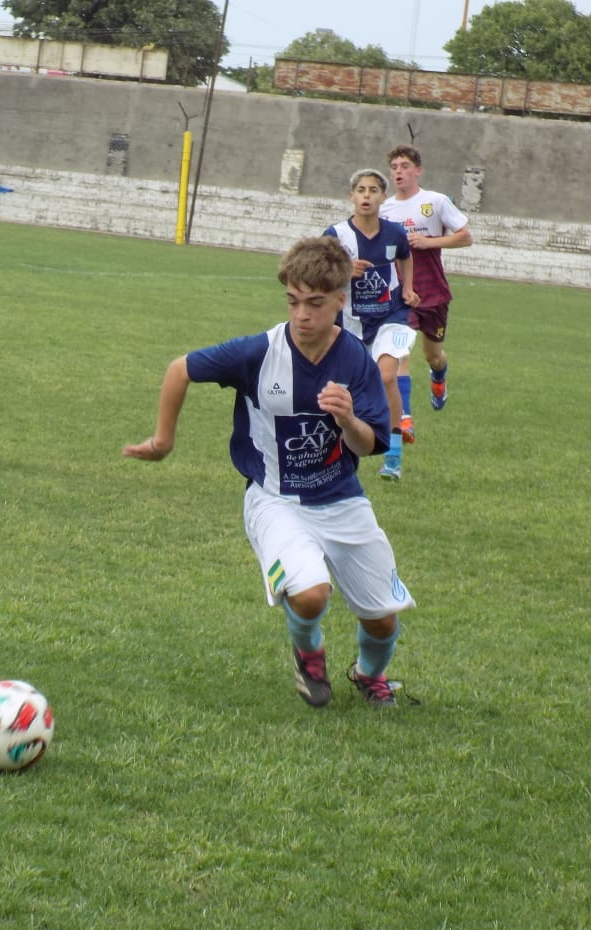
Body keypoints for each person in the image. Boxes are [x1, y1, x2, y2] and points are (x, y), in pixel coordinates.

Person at [123, 236, 415, 708]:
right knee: (310, 594)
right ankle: (309, 654)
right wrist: (162, 441)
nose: (302, 315)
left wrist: (347, 420)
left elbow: (369, 444)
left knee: (383, 618)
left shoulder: (356, 361)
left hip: (342, 500)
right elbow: (180, 369)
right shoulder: (259, 352)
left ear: (340, 302)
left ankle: (369, 675)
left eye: (316, 304)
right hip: (274, 499)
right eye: (293, 301)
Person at [323, 168, 419, 481]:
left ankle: (392, 456)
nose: (367, 196)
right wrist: (344, 269)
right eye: (361, 190)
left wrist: (407, 287)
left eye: (373, 190)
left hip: (392, 317)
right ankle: (338, 450)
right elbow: (321, 273)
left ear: (382, 197)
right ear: (352, 196)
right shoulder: (336, 235)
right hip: (348, 322)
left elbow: (405, 257)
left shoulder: (394, 234)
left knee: (386, 375)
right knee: (338, 390)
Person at [380, 144, 473, 431]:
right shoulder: (385, 208)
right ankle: (405, 418)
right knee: (400, 354)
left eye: (404, 166)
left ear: (418, 170)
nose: (399, 172)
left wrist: (429, 241)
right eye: (394, 167)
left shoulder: (435, 201)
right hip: (401, 293)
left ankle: (439, 376)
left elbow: (465, 236)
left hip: (433, 292)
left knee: (432, 354)